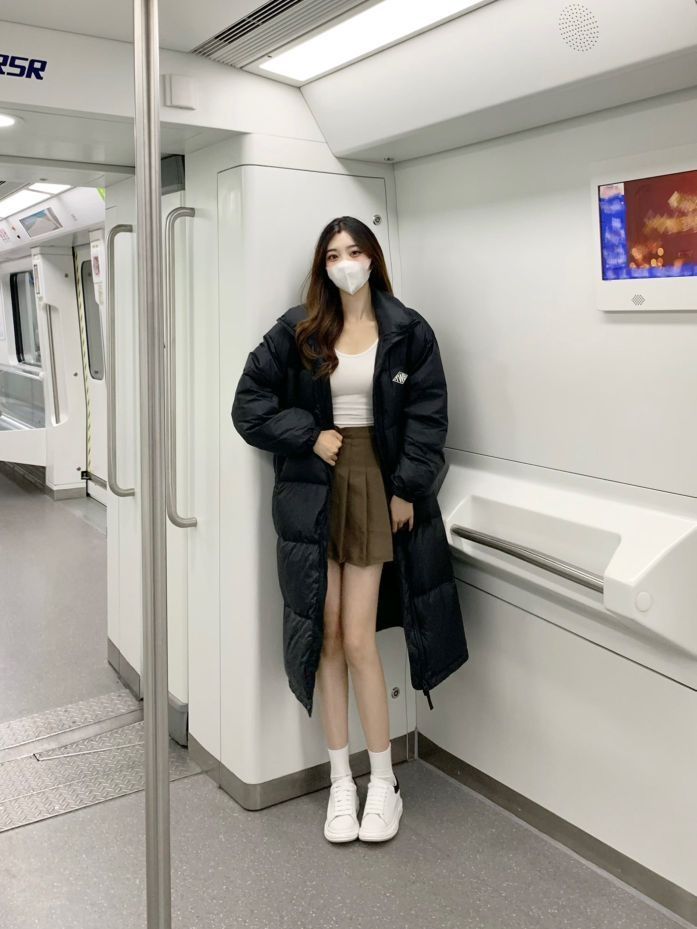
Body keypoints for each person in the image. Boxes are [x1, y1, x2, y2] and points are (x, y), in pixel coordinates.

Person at [231, 216, 468, 846]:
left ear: (373, 258)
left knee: (359, 637)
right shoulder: (299, 330)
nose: (345, 264)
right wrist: (308, 434)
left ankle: (383, 782)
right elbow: (248, 406)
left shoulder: (409, 331)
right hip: (315, 483)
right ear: (322, 266)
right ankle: (341, 780)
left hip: (373, 480)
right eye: (333, 255)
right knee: (328, 637)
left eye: (354, 251)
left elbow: (429, 417)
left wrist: (407, 488)